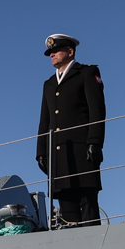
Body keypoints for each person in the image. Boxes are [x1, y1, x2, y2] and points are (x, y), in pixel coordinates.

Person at [35, 33, 105, 227]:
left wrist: (95, 142)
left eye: (56, 51)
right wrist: (41, 152)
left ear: (70, 51)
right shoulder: (49, 84)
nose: (52, 55)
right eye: (50, 52)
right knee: (67, 212)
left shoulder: (87, 73)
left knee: (88, 205)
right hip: (58, 156)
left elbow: (97, 111)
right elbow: (45, 121)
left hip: (82, 152)